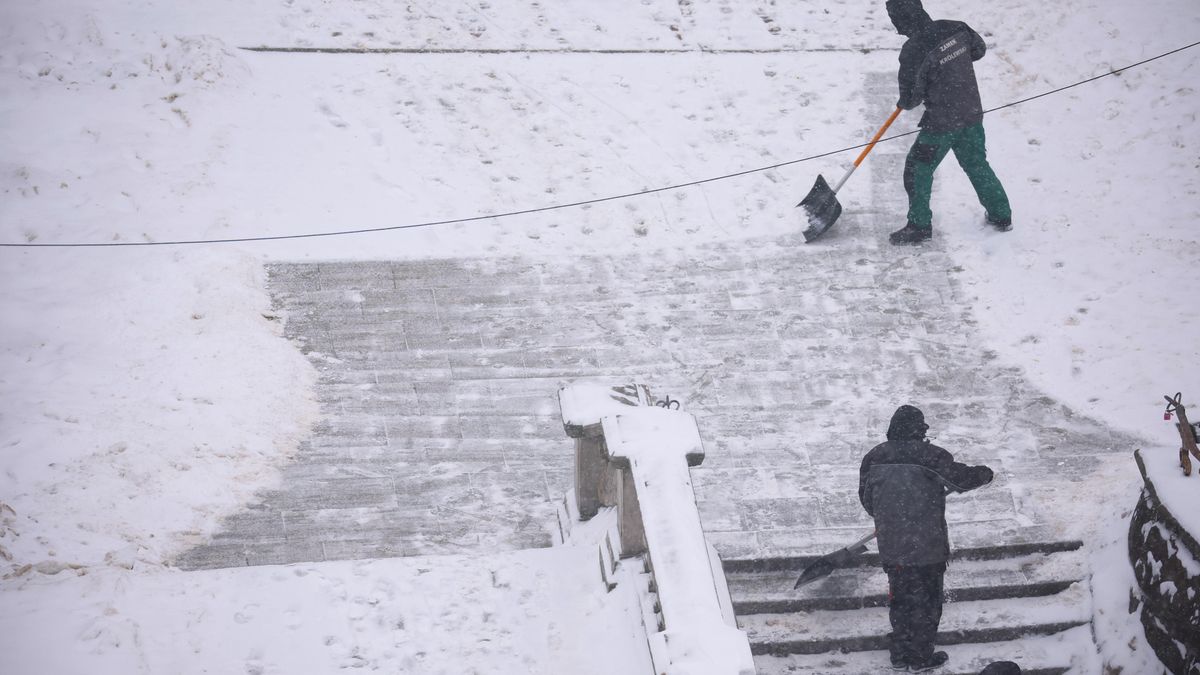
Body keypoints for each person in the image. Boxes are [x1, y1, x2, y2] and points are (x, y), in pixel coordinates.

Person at [858, 405, 995, 671]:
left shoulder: (873, 457)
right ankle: (920, 658)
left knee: (900, 600)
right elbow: (961, 480)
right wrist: (985, 473)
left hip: (893, 546)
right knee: (927, 604)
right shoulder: (931, 456)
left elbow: (868, 502)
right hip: (926, 547)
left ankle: (900, 655)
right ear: (919, 430)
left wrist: (894, 513)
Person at [884, 0, 1012, 245]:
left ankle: (919, 225)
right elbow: (979, 49)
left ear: (899, 20)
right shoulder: (955, 27)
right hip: (971, 112)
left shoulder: (913, 50)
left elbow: (910, 99)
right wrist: (952, 65)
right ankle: (1001, 215)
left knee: (917, 169)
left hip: (942, 123)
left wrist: (910, 94)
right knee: (976, 163)